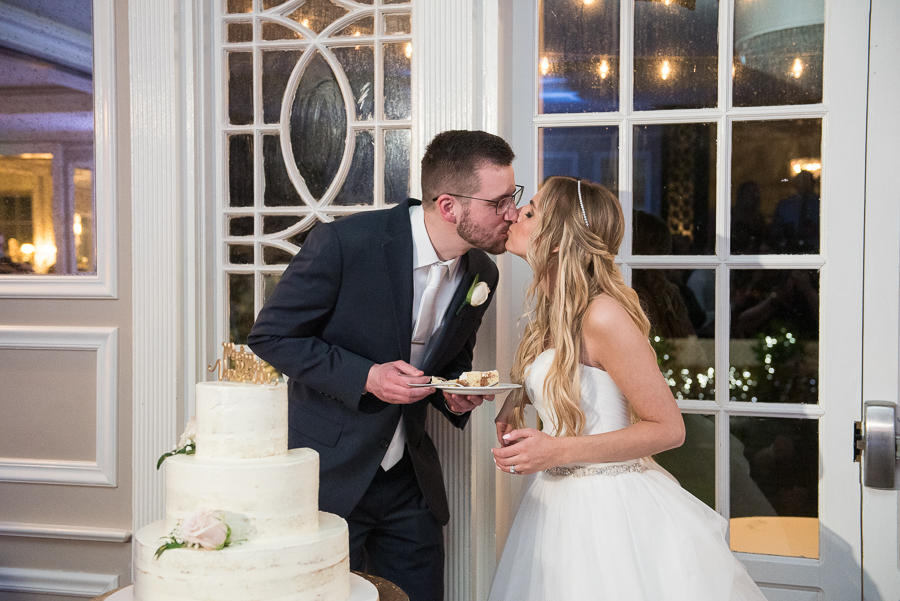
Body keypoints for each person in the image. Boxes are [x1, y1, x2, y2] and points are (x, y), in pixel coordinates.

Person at [248, 129, 520, 601]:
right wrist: (367, 377)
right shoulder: (344, 244)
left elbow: (451, 363)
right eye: (498, 202)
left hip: (410, 485)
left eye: (512, 198)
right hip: (328, 478)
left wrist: (455, 396)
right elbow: (271, 336)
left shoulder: (482, 273)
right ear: (449, 206)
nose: (512, 213)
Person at [488, 176, 767, 600]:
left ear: (559, 240)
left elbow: (668, 428)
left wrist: (556, 449)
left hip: (610, 511)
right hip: (555, 505)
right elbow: (572, 378)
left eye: (529, 213)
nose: (514, 215)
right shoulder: (555, 310)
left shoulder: (603, 316)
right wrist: (515, 401)